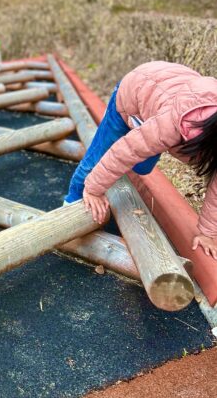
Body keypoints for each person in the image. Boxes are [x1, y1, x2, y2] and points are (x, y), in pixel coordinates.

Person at [64, 61, 217, 259]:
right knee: (97, 158)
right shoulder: (170, 124)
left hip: (162, 97)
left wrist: (208, 234)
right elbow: (125, 151)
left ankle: (127, 150)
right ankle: (70, 202)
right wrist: (93, 190)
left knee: (142, 166)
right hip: (132, 93)